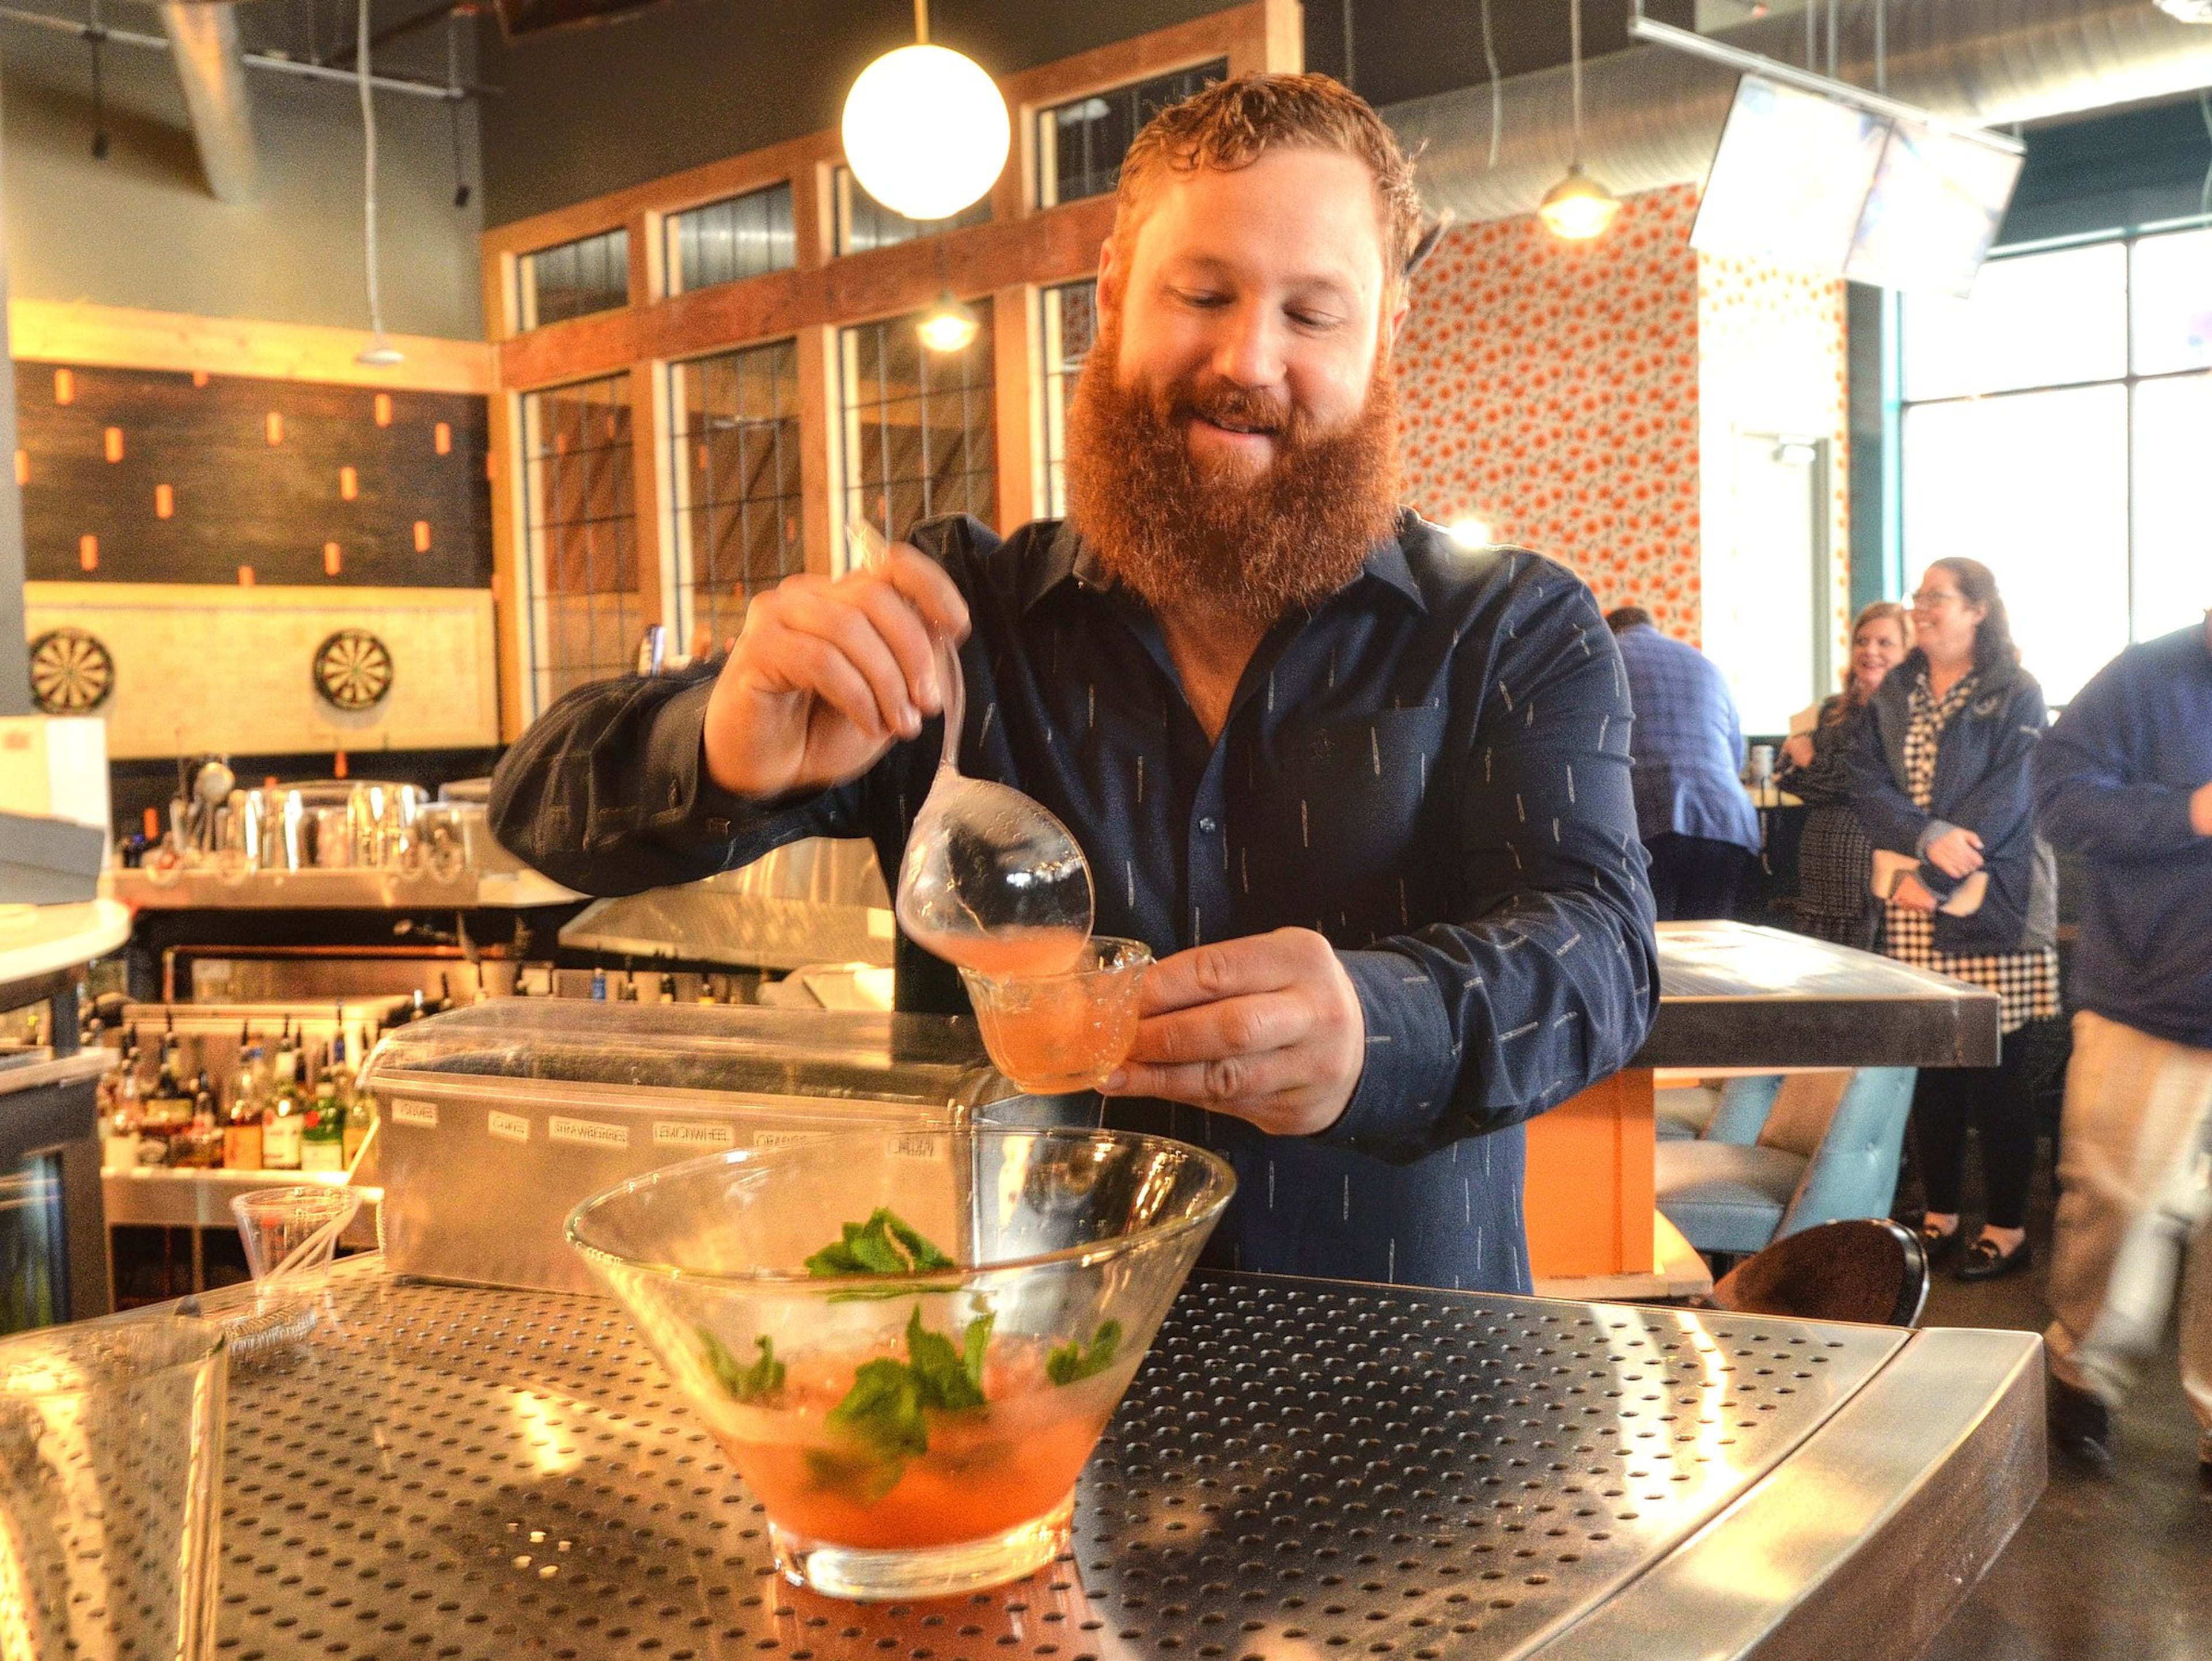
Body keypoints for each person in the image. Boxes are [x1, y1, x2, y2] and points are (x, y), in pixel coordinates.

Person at [487, 74, 1659, 1294]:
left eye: (1314, 315)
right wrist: (726, 746)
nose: (1249, 359)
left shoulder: (1511, 626)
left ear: (1388, 332)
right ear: (1110, 297)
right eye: (1201, 294)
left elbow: (1601, 957)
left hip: (1412, 1372)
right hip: (1014, 1382)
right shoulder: (959, 622)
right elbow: (536, 807)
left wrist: (1385, 1022)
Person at [2032, 610, 2212, 1478]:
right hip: (2152, 997)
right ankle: (2083, 1378)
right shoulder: (2144, 677)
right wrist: (2189, 812)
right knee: (2125, 1204)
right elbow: (2061, 799)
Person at [1849, 559, 2058, 1281]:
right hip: (1913, 903)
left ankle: (2007, 1227)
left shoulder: (2015, 689)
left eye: (1937, 597)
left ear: (1977, 610)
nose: (1922, 608)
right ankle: (1938, 1216)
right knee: (1931, 1069)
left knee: (1998, 1073)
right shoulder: (1899, 686)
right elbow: (1864, 781)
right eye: (1920, 598)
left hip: (1991, 904)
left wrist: (1936, 870)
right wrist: (1921, 838)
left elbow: (2013, 797)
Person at [1603, 606, 1762, 920]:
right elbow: (1735, 757)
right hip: (1724, 819)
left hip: (1646, 816)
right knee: (1709, 942)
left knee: (1653, 941)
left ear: (1609, 631)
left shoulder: (1606, 658)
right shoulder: (1706, 664)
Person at [1777, 602, 1911, 950]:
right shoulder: (1833, 710)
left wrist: (1811, 763)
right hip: (1822, 868)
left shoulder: (1910, 712)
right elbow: (1786, 777)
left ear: (1908, 650)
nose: (1870, 651)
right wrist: (1816, 773)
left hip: (1875, 867)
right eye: (1862, 641)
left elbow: (1866, 784)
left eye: (1885, 643)